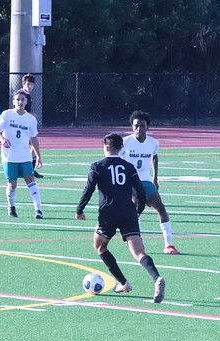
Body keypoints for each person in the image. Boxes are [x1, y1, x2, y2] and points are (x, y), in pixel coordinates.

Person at [76, 133, 165, 303]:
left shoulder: (97, 166)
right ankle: (156, 278)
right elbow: (140, 191)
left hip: (108, 213)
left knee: (100, 247)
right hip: (128, 212)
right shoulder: (129, 166)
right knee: (139, 252)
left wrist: (80, 209)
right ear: (121, 148)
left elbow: (88, 189)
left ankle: (123, 282)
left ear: (106, 147)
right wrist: (138, 210)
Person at [121, 110, 180, 255]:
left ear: (147, 127)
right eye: (136, 126)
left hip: (146, 181)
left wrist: (155, 178)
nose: (139, 129)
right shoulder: (125, 142)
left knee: (161, 208)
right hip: (130, 181)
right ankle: (138, 242)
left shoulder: (153, 143)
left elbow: (154, 157)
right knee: (135, 207)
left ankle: (169, 245)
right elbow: (117, 160)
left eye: (142, 126)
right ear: (132, 127)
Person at [0, 90, 43, 219]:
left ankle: (38, 210)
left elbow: (33, 138)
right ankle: (11, 207)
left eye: (23, 99)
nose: (20, 102)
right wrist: (2, 139)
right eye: (18, 99)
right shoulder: (7, 115)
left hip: (25, 156)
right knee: (12, 184)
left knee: (30, 181)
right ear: (13, 102)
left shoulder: (31, 119)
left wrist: (38, 156)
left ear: (26, 102)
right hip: (9, 156)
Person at [18, 73, 43, 179]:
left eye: (32, 84)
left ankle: (30, 170)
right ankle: (28, 170)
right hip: (21, 125)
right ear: (23, 83)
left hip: (26, 124)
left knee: (31, 146)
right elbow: (19, 110)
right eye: (28, 84)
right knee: (31, 146)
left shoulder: (27, 95)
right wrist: (30, 115)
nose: (30, 86)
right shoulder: (21, 94)